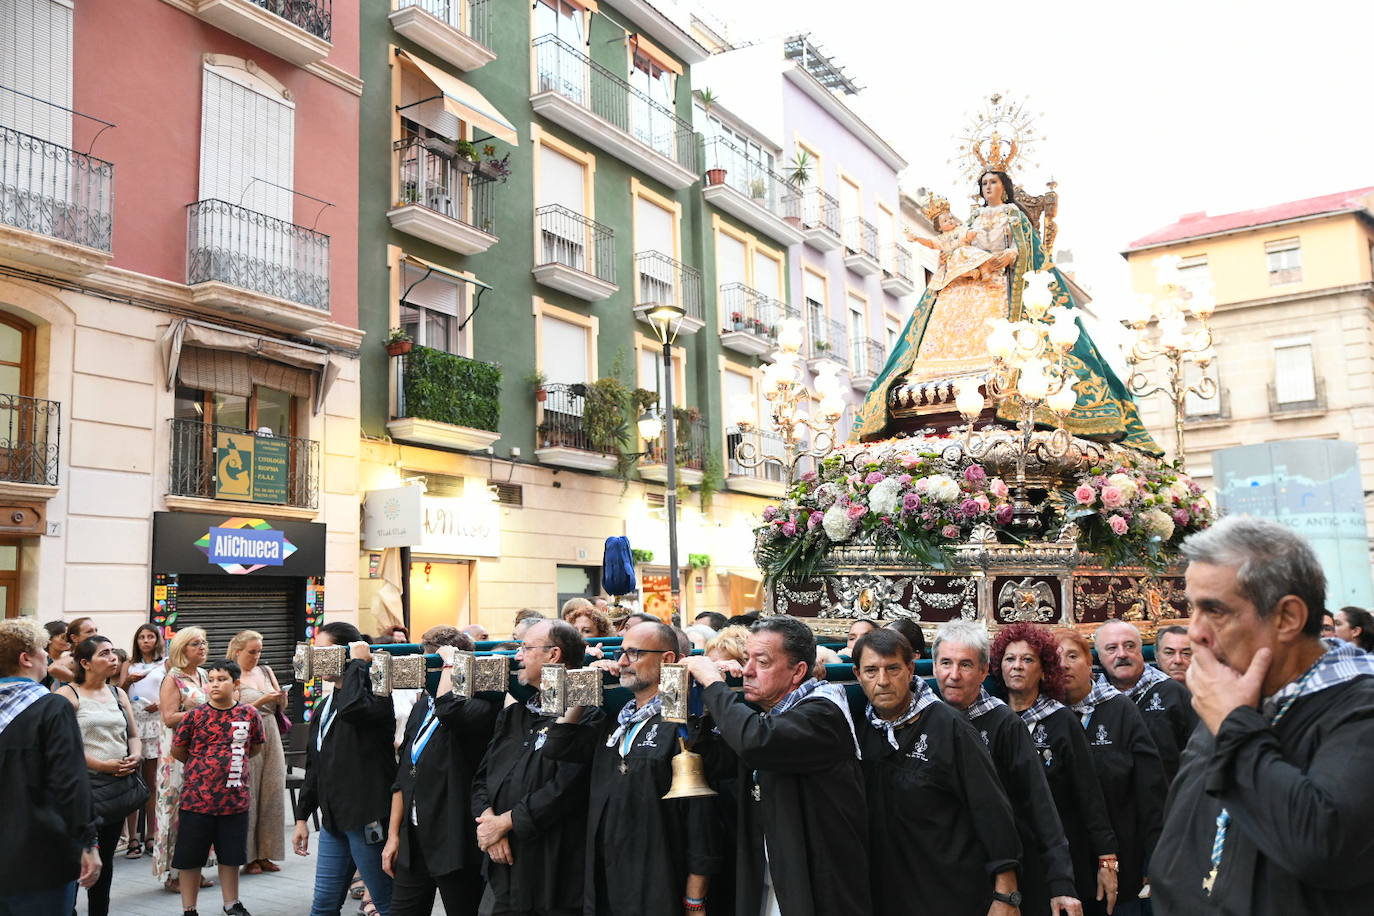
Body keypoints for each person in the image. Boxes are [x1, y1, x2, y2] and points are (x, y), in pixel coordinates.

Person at [1152, 516, 1374, 915]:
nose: (1195, 633)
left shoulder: (1360, 708)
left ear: (1287, 617)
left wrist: (1235, 725)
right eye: (1192, 609)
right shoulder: (1229, 693)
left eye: (1215, 611)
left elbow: (1323, 847)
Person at [853, 168, 1160, 453]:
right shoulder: (973, 217)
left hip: (1003, 281)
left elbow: (1027, 247)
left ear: (1004, 187)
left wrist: (1010, 255)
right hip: (971, 278)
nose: (988, 188)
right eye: (984, 184)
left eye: (993, 183)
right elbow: (959, 243)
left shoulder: (1013, 213)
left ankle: (1005, 372)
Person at [684, 616, 870, 916]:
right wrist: (705, 704)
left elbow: (757, 742)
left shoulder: (822, 713)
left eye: (763, 662)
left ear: (797, 671)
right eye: (747, 660)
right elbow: (718, 762)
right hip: (772, 880)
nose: (748, 671)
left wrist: (715, 686)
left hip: (817, 887)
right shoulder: (768, 715)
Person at [544, 621, 724, 915]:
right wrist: (586, 687)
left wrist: (695, 896)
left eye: (634, 653)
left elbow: (700, 819)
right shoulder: (614, 722)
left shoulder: (684, 727)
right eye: (621, 653)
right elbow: (557, 746)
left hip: (658, 880)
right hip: (606, 877)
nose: (623, 662)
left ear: (667, 660)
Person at [853, 627, 1021, 915]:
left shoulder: (949, 727)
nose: (882, 681)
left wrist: (1006, 891)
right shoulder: (859, 729)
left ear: (910, 669)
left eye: (893, 668)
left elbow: (990, 807)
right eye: (871, 671)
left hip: (949, 893)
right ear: (857, 675)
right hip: (887, 894)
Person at [933, 620, 1082, 916]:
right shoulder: (924, 719)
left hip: (1002, 876)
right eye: (946, 663)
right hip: (944, 876)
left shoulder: (1004, 724)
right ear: (933, 666)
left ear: (984, 670)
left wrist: (1061, 882)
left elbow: (1039, 803)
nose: (953, 675)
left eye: (965, 665)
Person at [992, 623, 1118, 916]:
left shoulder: (1061, 721)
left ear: (1044, 668)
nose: (1017, 666)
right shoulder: (993, 719)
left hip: (1061, 857)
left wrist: (1108, 863)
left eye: (1028, 659)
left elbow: (1090, 797)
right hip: (1011, 858)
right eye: (1010, 659)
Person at [471, 619, 592, 916]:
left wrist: (505, 823)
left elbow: (566, 788)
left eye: (525, 648)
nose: (518, 656)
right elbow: (481, 779)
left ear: (553, 655)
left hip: (552, 868)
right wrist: (489, 824)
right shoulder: (515, 714)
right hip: (501, 863)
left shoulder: (586, 714)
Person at [382, 638, 501, 916]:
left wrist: (449, 666)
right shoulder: (424, 704)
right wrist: (393, 835)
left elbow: (451, 712)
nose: (429, 675)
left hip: (453, 841)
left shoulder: (479, 704)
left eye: (435, 667)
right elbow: (404, 774)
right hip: (413, 837)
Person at [1056, 630, 1165, 916]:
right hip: (1068, 866)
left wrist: (1153, 858)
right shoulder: (1044, 716)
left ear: (1089, 661)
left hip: (1124, 858)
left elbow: (1150, 791)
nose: (1064, 665)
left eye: (1072, 656)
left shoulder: (1120, 709)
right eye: (1055, 659)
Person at [293, 621, 396, 916]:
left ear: (347, 654)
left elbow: (352, 708)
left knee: (386, 902)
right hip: (333, 820)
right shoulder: (324, 706)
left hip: (365, 819)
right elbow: (316, 765)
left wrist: (360, 665)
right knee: (323, 905)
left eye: (326, 651)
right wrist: (302, 817)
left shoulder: (377, 699)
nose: (318, 658)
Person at [0, 618, 100, 914]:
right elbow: (70, 780)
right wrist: (88, 841)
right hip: (40, 855)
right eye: (43, 649)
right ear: (25, 658)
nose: (49, 655)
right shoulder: (52, 708)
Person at [171, 659, 265, 916]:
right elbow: (178, 750)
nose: (215, 684)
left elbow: (255, 747)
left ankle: (231, 903)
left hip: (234, 799)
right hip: (196, 801)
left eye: (221, 679)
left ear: (235, 684)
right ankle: (189, 908)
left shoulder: (249, 714)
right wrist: (204, 769)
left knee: (231, 856)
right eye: (211, 679)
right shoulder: (195, 716)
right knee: (190, 859)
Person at [58, 635, 141, 916]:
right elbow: (65, 746)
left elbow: (132, 735)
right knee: (74, 860)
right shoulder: (67, 695)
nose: (113, 658)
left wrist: (136, 755)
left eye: (113, 652)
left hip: (116, 788)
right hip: (83, 788)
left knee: (104, 860)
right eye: (104, 654)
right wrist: (103, 765)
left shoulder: (119, 694)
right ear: (85, 663)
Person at [1094, 620, 1197, 782]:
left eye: (1129, 646)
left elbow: (1197, 756)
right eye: (1112, 648)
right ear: (1099, 657)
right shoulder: (1090, 700)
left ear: (1141, 650)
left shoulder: (1173, 692)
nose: (1122, 654)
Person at [154, 626, 213, 892]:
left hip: (203, 753)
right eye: (195, 644)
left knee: (200, 812)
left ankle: (194, 870)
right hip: (177, 755)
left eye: (203, 642)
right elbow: (168, 717)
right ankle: (174, 874)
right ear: (181, 650)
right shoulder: (173, 678)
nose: (202, 647)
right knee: (176, 811)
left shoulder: (204, 675)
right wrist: (204, 712)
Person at [227, 631, 287, 875]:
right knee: (249, 792)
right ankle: (248, 856)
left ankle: (266, 853)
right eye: (252, 651)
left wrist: (281, 698)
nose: (256, 656)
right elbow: (231, 709)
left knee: (273, 792)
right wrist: (262, 701)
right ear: (238, 651)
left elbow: (279, 706)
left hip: (270, 731)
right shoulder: (231, 675)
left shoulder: (265, 671)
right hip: (245, 735)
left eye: (259, 651)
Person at [123, 622, 166, 860]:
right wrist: (128, 681)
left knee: (151, 784)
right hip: (133, 724)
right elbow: (119, 691)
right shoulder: (129, 664)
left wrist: (160, 704)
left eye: (150, 636)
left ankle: (151, 835)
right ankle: (132, 838)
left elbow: (172, 691)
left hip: (155, 723)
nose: (146, 641)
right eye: (142, 637)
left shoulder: (164, 664)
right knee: (132, 782)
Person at [47, 616, 98, 686]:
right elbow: (53, 668)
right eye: (89, 632)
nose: (95, 635)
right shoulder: (72, 657)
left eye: (96, 630)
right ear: (74, 638)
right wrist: (85, 683)